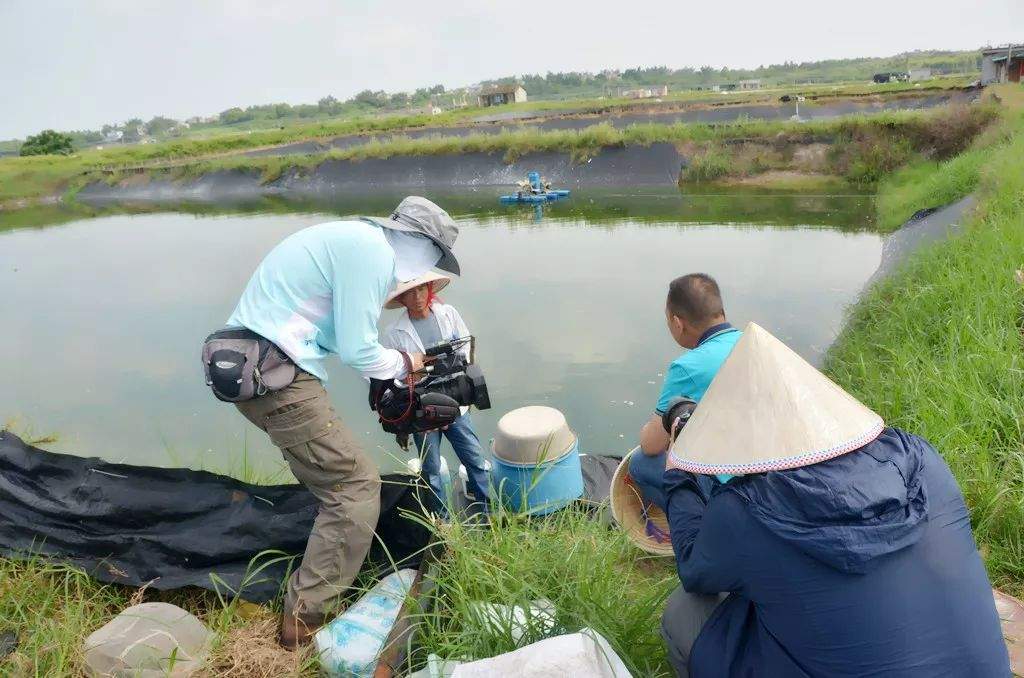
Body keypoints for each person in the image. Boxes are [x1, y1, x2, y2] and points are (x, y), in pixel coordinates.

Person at [660, 322, 1010, 678]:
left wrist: (678, 471)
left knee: (683, 613)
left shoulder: (745, 511)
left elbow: (693, 569)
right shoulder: (920, 458)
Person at [224, 196, 460, 649]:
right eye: (434, 257)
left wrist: (388, 368)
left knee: (337, 483)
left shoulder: (352, 240)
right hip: (278, 378)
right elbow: (358, 350)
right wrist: (406, 361)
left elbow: (340, 340)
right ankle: (304, 622)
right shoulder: (371, 251)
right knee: (354, 488)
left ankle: (317, 585)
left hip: (259, 368)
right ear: (421, 244)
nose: (424, 272)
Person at [380, 271, 490, 515]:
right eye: (409, 293)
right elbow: (389, 377)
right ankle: (442, 522)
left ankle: (486, 511)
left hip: (456, 403)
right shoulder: (393, 333)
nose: (417, 297)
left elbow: (468, 350)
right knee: (431, 470)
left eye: (421, 289)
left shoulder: (448, 314)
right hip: (422, 411)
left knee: (475, 459)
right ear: (402, 299)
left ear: (429, 289)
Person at [631, 274, 741, 511]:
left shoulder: (688, 367)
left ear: (678, 323)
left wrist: (648, 432)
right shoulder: (751, 342)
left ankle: (692, 526)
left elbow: (652, 446)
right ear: (721, 312)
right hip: (771, 468)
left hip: (731, 486)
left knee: (641, 463)